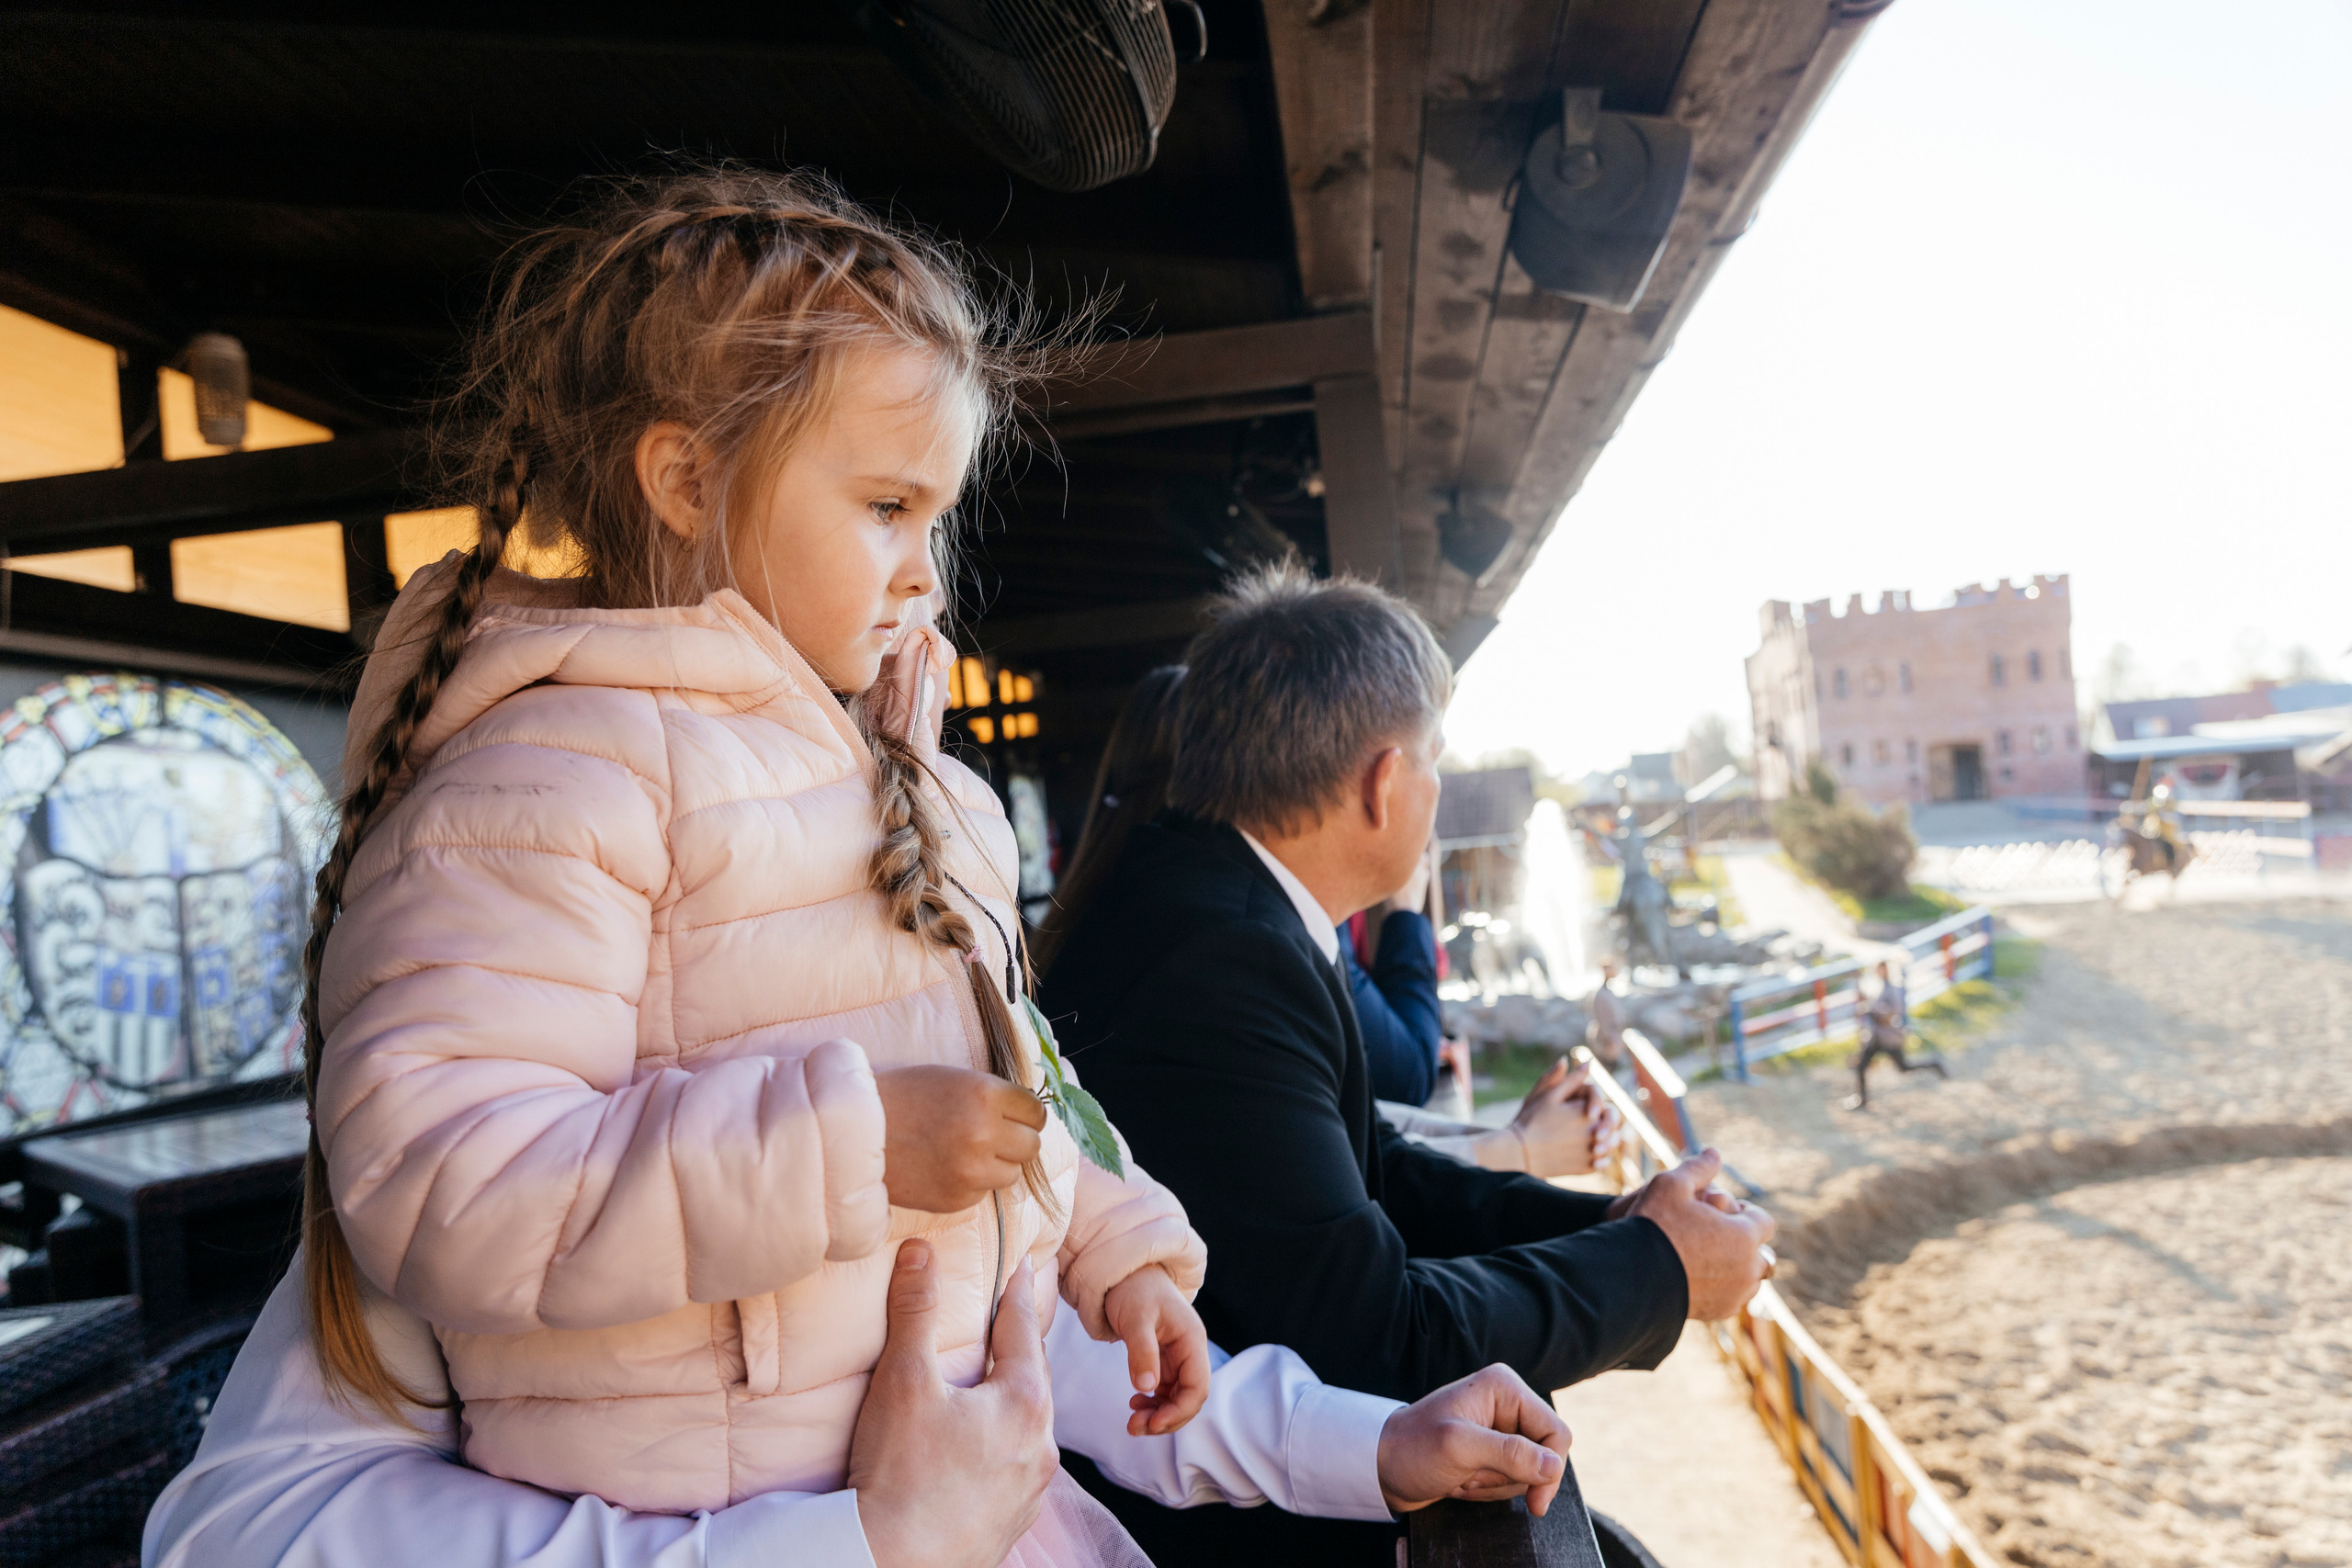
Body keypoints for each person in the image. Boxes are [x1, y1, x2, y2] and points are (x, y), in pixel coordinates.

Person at [297, 169, 1212, 1562]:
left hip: (968, 1501)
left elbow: (1007, 1091)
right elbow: (440, 1181)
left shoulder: (916, 786)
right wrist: (848, 1141)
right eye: (886, 504)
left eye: (936, 517)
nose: (925, 572)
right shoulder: (551, 781)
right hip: (722, 1524)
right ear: (686, 479)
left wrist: (1118, 1246)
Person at [1041, 562, 1777, 1562]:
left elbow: (1371, 1178)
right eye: (1434, 759)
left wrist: (1613, 1223)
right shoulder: (1220, 955)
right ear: (1386, 782)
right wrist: (1659, 1271)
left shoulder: (1217, 904)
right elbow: (1375, 1333)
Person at [147, 1238, 1581, 1568]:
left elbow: (1029, 1330)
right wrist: (857, 1542)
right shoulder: (493, 1081)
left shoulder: (931, 943)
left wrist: (1365, 1437)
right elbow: (235, 1528)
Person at [1040, 666, 1611, 1179]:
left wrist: (1509, 1144)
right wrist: (1407, 914)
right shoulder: (1241, 944)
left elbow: (1344, 1128)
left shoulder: (1100, 912)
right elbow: (1392, 1084)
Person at [1844, 960, 1946, 1111]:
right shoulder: (1880, 988)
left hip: (1889, 1038)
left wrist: (1871, 1013)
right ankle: (1862, 1100)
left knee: (1903, 1067)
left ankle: (1933, 1064)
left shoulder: (1893, 990)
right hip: (1876, 1037)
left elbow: (1891, 1014)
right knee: (1862, 1066)